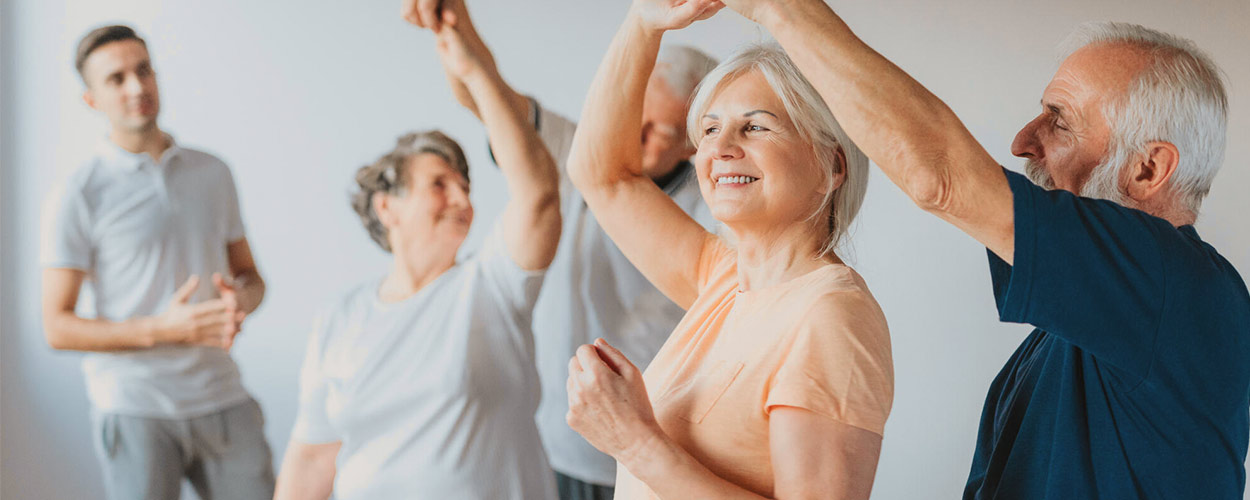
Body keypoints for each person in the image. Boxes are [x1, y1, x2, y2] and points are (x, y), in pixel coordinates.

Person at [713, 1, 1250, 498]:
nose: (1022, 140)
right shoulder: (1093, 324)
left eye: (1059, 119)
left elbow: (941, 180)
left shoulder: (1175, 286)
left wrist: (775, 7)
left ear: (1147, 169)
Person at [559, 1, 895, 498]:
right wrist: (642, 23)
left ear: (831, 167)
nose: (719, 149)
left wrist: (632, 441)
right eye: (710, 129)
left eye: (755, 126)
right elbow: (600, 175)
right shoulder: (722, 278)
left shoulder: (830, 317)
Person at [403, 1, 717, 497]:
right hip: (540, 436)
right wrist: (455, 23)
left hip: (629, 453)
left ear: (695, 145)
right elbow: (489, 98)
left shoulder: (713, 216)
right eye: (638, 109)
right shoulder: (580, 146)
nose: (636, 133)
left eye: (661, 130)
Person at [272, 15, 562, 500]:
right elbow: (312, 457)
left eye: (466, 188)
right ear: (388, 207)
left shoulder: (491, 285)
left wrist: (475, 74)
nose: (462, 201)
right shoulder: (340, 317)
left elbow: (538, 195)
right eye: (439, 185)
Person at [40, 25, 274, 500]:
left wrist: (240, 300)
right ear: (91, 99)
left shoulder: (213, 172)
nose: (137, 87)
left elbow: (252, 278)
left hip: (222, 396)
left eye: (144, 70)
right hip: (135, 406)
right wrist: (165, 330)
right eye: (117, 78)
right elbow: (57, 328)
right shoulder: (79, 194)